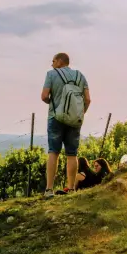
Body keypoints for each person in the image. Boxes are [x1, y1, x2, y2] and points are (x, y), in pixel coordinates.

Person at [41, 53, 91, 197]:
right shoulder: (80, 76)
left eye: (53, 61)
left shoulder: (51, 74)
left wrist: (53, 103)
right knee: (72, 154)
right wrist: (80, 113)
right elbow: (88, 99)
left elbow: (44, 96)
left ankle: (49, 189)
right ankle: (71, 188)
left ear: (59, 61)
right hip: (75, 119)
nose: (51, 64)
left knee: (53, 152)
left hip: (55, 117)